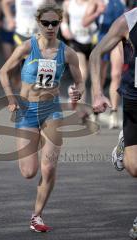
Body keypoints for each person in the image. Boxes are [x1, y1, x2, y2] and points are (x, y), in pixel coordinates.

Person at [0, 2, 84, 232]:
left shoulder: (67, 53)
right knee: (29, 172)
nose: (49, 27)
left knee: (49, 168)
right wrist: (11, 98)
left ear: (59, 24)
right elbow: (4, 71)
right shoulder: (27, 47)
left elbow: (79, 80)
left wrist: (77, 91)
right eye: (45, 23)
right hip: (27, 111)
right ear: (39, 23)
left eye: (54, 23)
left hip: (52, 110)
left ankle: (37, 216)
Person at [89, 7, 137, 239]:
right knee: (134, 168)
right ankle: (124, 142)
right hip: (134, 100)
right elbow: (96, 53)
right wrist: (97, 93)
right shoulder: (129, 20)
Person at [83, 0, 125, 128]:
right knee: (99, 77)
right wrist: (97, 12)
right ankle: (96, 111)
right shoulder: (95, 2)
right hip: (103, 39)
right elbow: (84, 22)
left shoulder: (121, 2)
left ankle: (114, 112)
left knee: (116, 75)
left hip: (118, 40)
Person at [61, 0, 96, 103]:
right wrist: (64, 28)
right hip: (75, 41)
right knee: (83, 73)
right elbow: (63, 17)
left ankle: (76, 97)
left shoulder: (93, 3)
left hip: (91, 42)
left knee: (86, 77)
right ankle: (78, 101)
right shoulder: (68, 3)